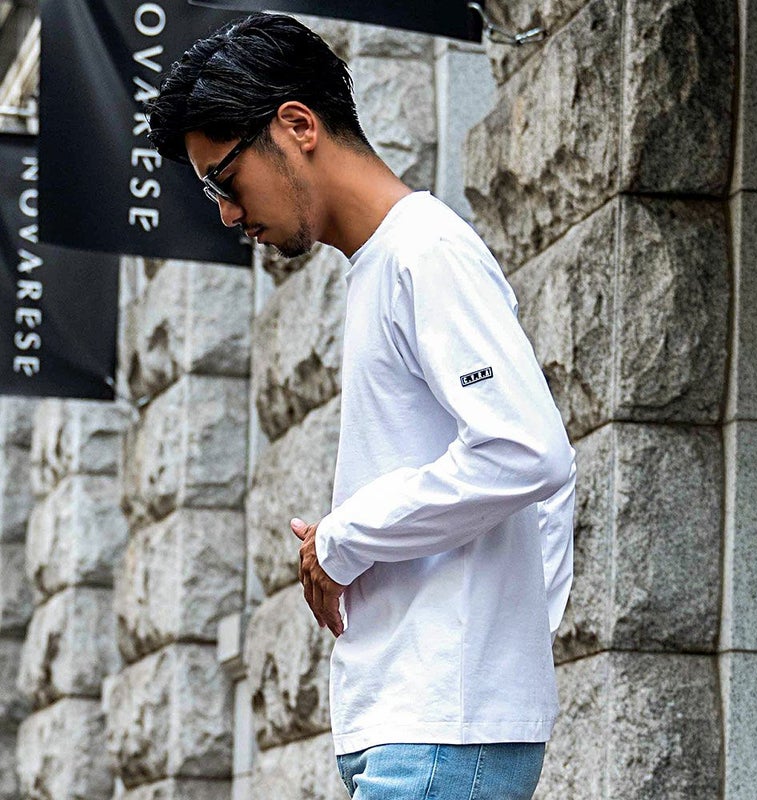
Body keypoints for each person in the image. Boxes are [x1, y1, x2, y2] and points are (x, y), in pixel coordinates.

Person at [147, 12, 576, 799]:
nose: (228, 214)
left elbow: (529, 451)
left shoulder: (425, 251)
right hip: (417, 721)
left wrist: (344, 539)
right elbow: (545, 469)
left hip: (439, 730)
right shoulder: (383, 264)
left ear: (297, 125)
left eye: (225, 181)